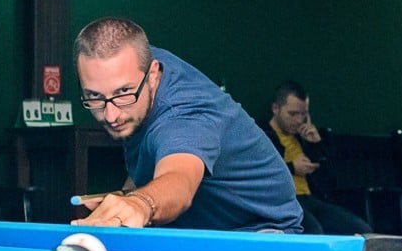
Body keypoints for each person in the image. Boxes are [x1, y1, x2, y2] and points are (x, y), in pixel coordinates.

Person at [70, 17, 302, 232]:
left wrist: (140, 202)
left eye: (123, 92)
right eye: (94, 96)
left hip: (259, 230)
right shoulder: (133, 65)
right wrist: (127, 195)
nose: (110, 115)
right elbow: (151, 153)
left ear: (152, 74)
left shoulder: (183, 119)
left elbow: (179, 180)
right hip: (204, 228)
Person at [260, 81, 371, 235]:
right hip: (284, 202)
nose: (299, 120)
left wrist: (316, 146)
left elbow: (331, 181)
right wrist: (292, 167)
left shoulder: (304, 137)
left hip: (311, 199)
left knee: (361, 229)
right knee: (314, 232)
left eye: (303, 114)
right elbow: (260, 174)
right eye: (292, 114)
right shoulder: (262, 136)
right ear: (275, 109)